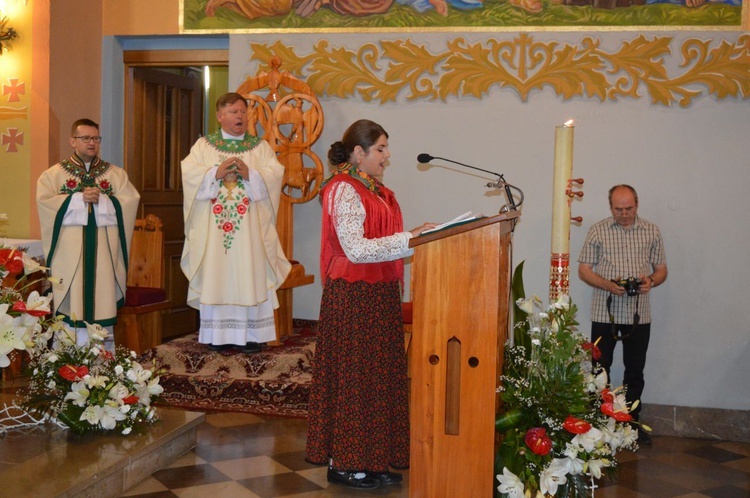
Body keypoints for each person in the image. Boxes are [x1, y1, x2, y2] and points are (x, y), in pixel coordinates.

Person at [305, 119, 436, 489]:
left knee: (378, 380)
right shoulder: (342, 189)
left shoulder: (376, 189)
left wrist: (415, 237)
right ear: (359, 153)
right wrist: (411, 238)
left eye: (385, 148)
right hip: (353, 295)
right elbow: (355, 248)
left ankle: (374, 459)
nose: (387, 155)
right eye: (380, 149)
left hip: (378, 294)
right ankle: (345, 463)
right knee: (354, 380)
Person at [181, 92, 291, 353]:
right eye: (233, 112)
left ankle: (252, 335)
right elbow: (189, 173)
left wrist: (251, 175)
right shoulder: (204, 146)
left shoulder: (259, 147)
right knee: (217, 274)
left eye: (243, 111)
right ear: (220, 116)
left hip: (249, 234)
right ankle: (217, 337)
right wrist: (213, 173)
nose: (239, 116)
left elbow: (275, 175)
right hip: (215, 233)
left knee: (249, 271)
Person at [37, 118, 140, 350]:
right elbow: (45, 203)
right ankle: (65, 363)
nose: (91, 143)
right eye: (85, 138)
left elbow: (131, 201)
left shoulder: (115, 175)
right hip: (71, 257)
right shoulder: (52, 176)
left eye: (96, 138)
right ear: (73, 141)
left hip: (103, 258)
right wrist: (77, 199)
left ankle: (103, 366)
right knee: (72, 307)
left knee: (101, 301)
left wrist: (104, 200)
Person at [578, 184, 667, 446]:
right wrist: (607, 284)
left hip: (639, 314)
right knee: (599, 371)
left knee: (635, 370)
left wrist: (651, 280)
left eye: (629, 208)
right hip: (604, 313)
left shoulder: (651, 230)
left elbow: (661, 269)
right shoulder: (598, 230)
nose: (625, 213)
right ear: (611, 207)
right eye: (619, 209)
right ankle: (598, 426)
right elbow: (584, 270)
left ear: (637, 205)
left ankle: (631, 425)